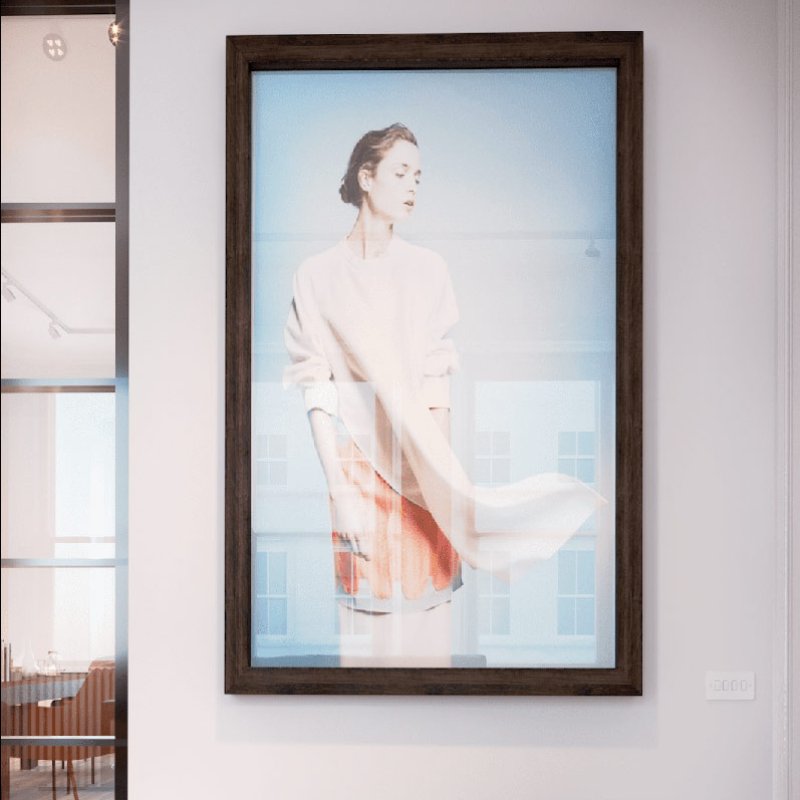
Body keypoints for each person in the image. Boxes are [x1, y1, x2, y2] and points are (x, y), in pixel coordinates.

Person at [284, 123, 601, 667]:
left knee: (430, 637)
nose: (412, 187)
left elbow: (437, 378)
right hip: (358, 468)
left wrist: (444, 478)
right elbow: (317, 387)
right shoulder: (316, 276)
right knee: (364, 639)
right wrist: (339, 492)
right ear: (366, 177)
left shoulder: (428, 269)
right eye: (400, 173)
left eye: (419, 177)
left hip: (424, 463)